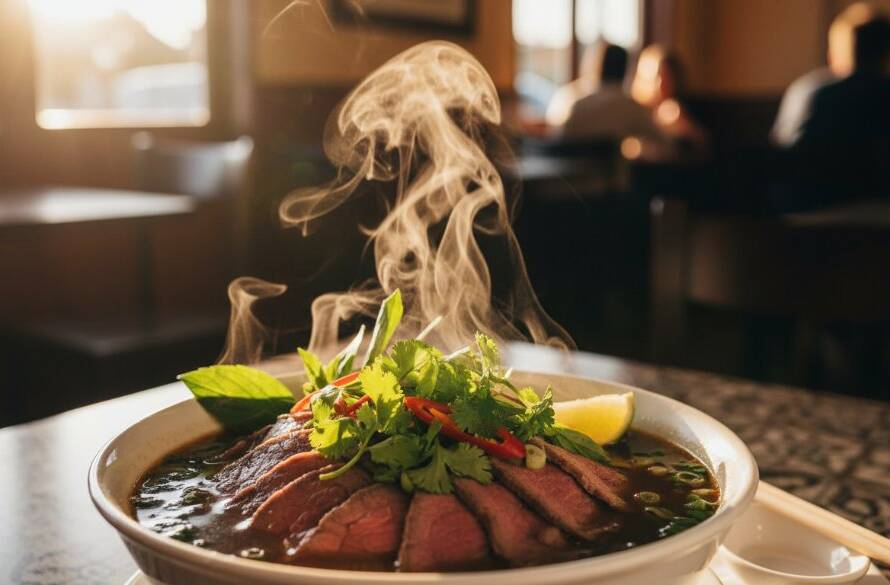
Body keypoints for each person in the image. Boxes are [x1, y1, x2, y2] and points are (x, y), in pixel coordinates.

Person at [771, 3, 890, 147]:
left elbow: (781, 150)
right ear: (884, 55)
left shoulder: (808, 92)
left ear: (832, 53)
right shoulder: (882, 96)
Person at [545, 42, 660, 142]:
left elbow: (556, 140)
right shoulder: (631, 109)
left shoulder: (572, 102)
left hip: (571, 167)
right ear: (626, 70)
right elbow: (662, 143)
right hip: (610, 167)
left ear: (596, 67)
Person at [630, 44, 708, 156]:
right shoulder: (636, 112)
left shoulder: (682, 111)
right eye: (657, 76)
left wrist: (683, 127)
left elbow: (701, 146)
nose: (662, 83)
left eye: (668, 77)